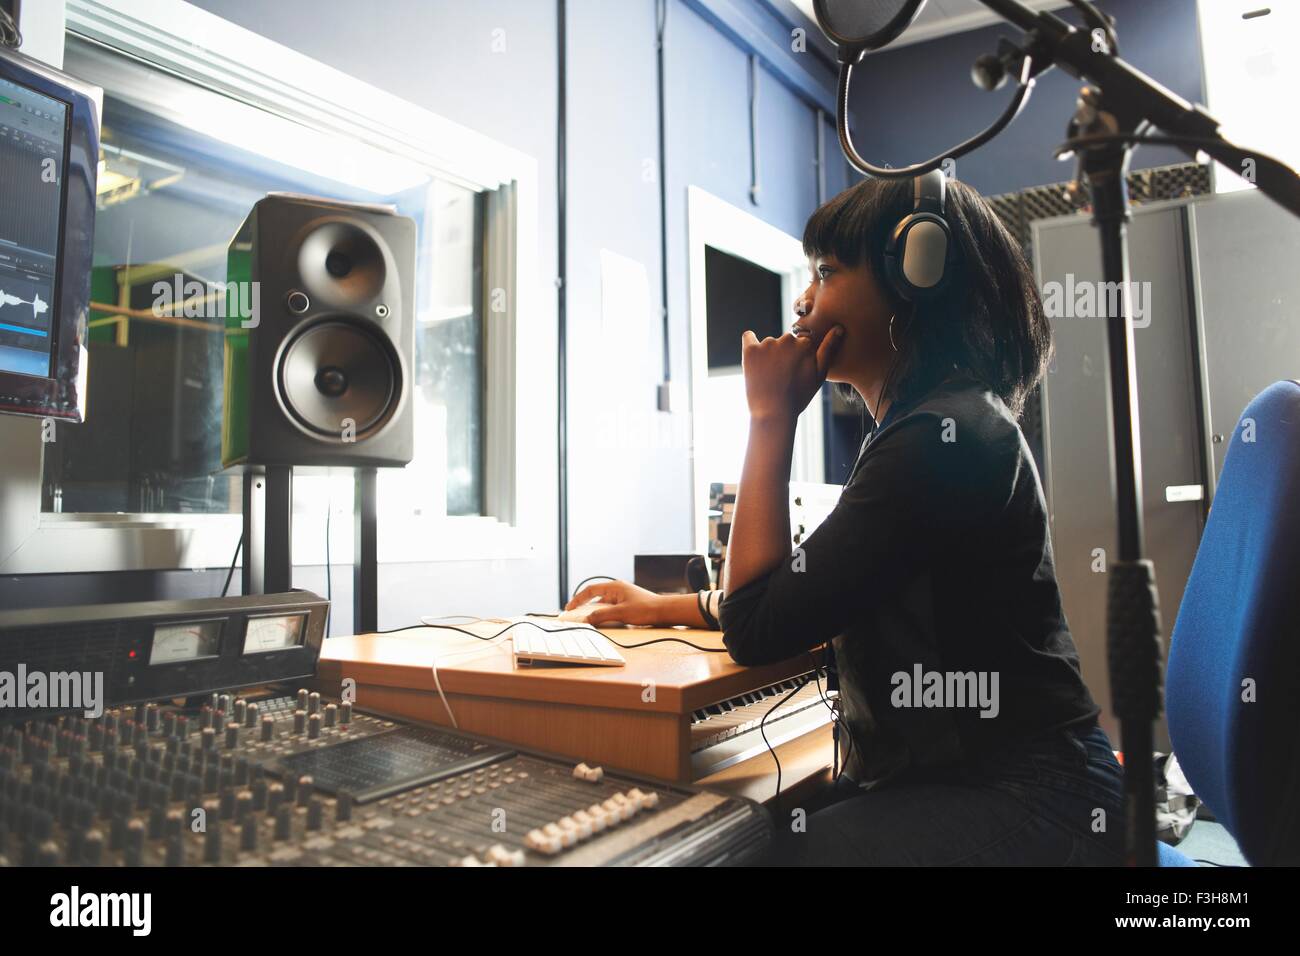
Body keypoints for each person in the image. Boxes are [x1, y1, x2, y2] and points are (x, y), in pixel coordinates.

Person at [565, 174, 1126, 866]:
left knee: (744, 849)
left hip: (1032, 797)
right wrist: (661, 608)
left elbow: (758, 627)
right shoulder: (933, 425)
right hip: (982, 777)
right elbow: (818, 593)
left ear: (914, 280)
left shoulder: (939, 439)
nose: (803, 299)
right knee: (760, 821)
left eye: (826, 272)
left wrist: (770, 420)